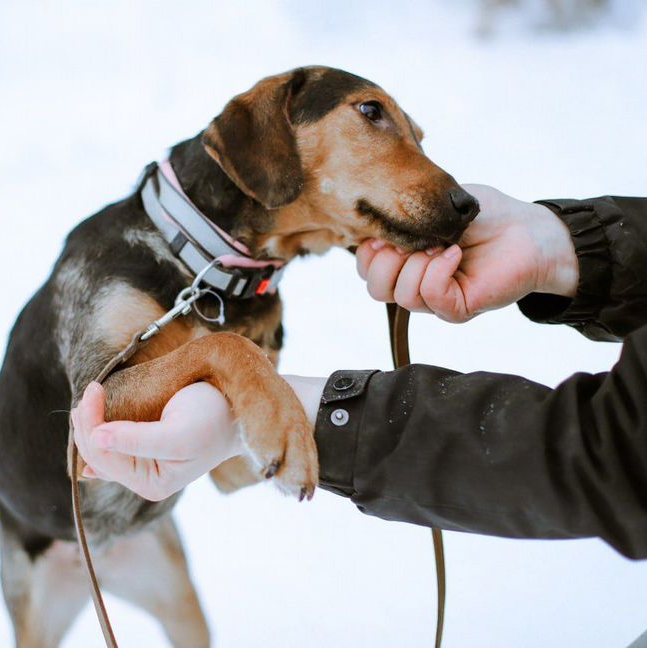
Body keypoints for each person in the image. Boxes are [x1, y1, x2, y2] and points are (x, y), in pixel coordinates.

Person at [72, 184, 647, 559]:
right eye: (371, 115)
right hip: (49, 531)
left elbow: (620, 455)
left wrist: (288, 411)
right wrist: (560, 244)